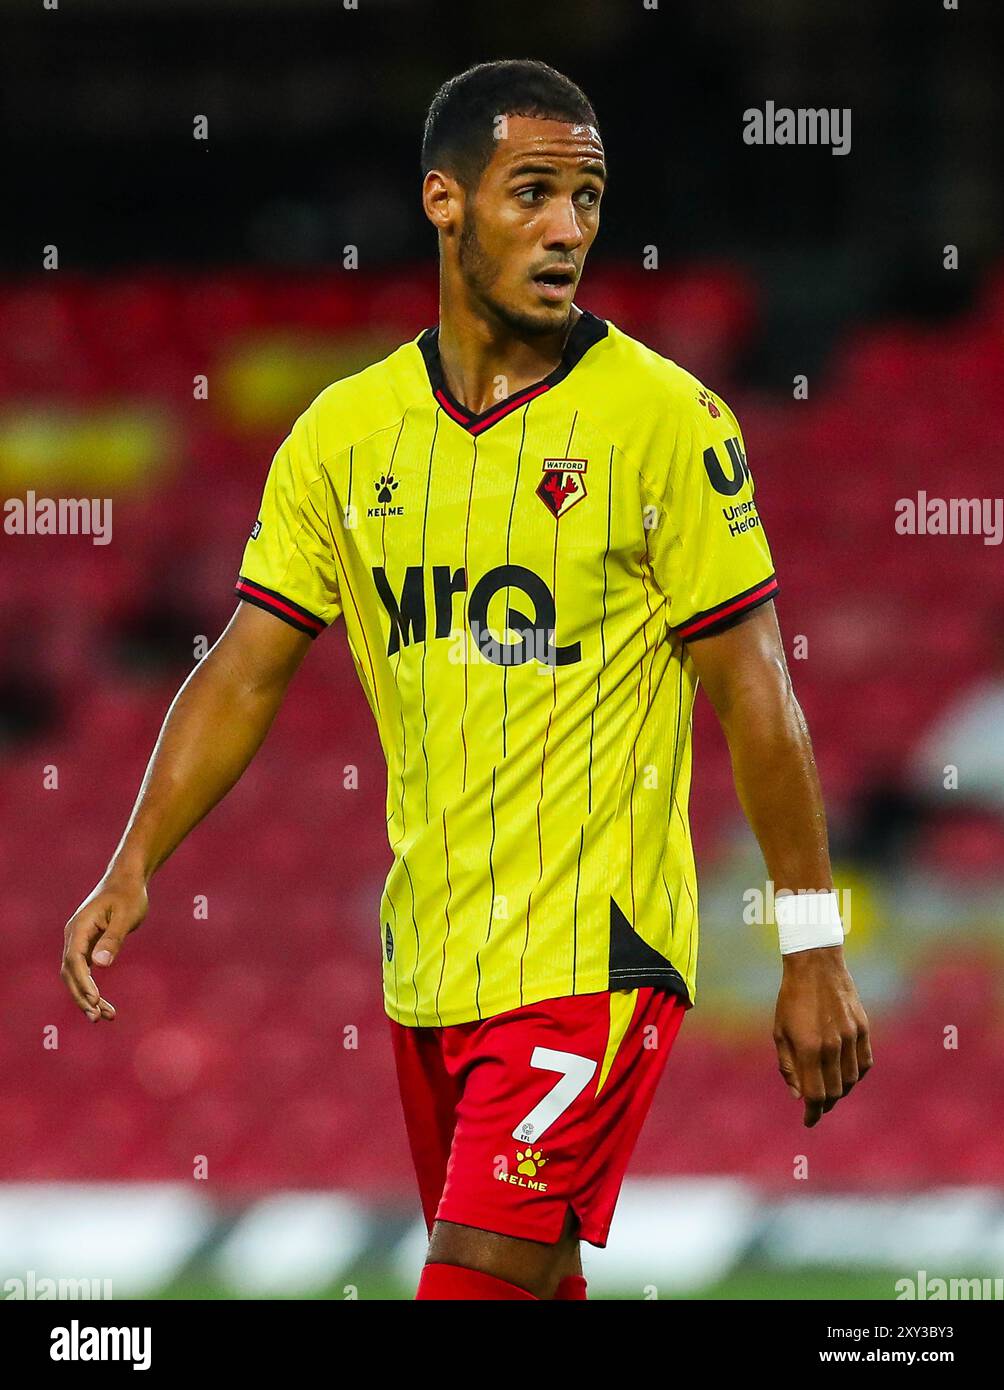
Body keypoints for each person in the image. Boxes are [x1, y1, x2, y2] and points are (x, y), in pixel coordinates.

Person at [61, 59, 872, 1301]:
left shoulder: (666, 421)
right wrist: (134, 860)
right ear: (443, 202)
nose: (566, 228)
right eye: (531, 192)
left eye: (587, 198)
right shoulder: (344, 434)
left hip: (591, 962)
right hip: (432, 967)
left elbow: (756, 693)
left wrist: (810, 950)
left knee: (468, 1288)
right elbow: (245, 666)